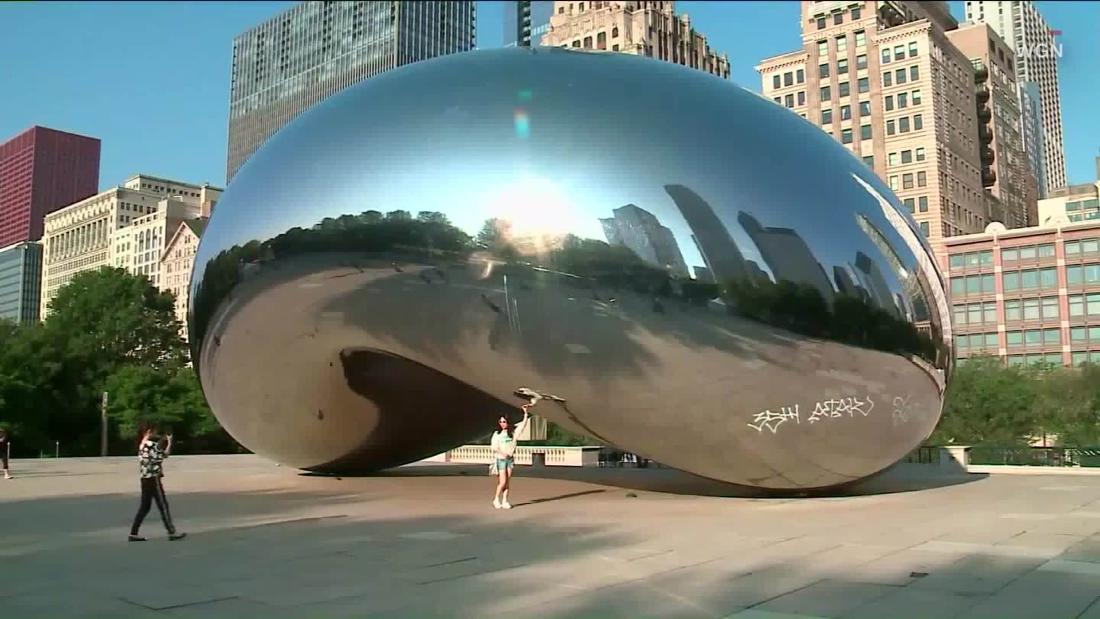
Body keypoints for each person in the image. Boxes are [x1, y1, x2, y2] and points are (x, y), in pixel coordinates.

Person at [129, 424, 186, 542]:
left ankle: (133, 533)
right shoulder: (150, 445)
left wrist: (164, 442)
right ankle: (172, 532)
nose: (155, 434)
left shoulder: (141, 445)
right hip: (153, 478)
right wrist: (168, 442)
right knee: (163, 505)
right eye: (154, 432)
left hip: (144, 478)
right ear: (149, 432)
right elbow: (162, 456)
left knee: (145, 507)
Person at [490, 404, 531, 510]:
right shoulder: (497, 434)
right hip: (501, 459)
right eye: (501, 422)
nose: (503, 424)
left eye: (504, 421)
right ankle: (496, 499)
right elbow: (494, 447)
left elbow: (523, 425)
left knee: (507, 482)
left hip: (510, 459)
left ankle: (505, 500)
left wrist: (525, 413)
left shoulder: (513, 433)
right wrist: (503, 453)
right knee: (502, 481)